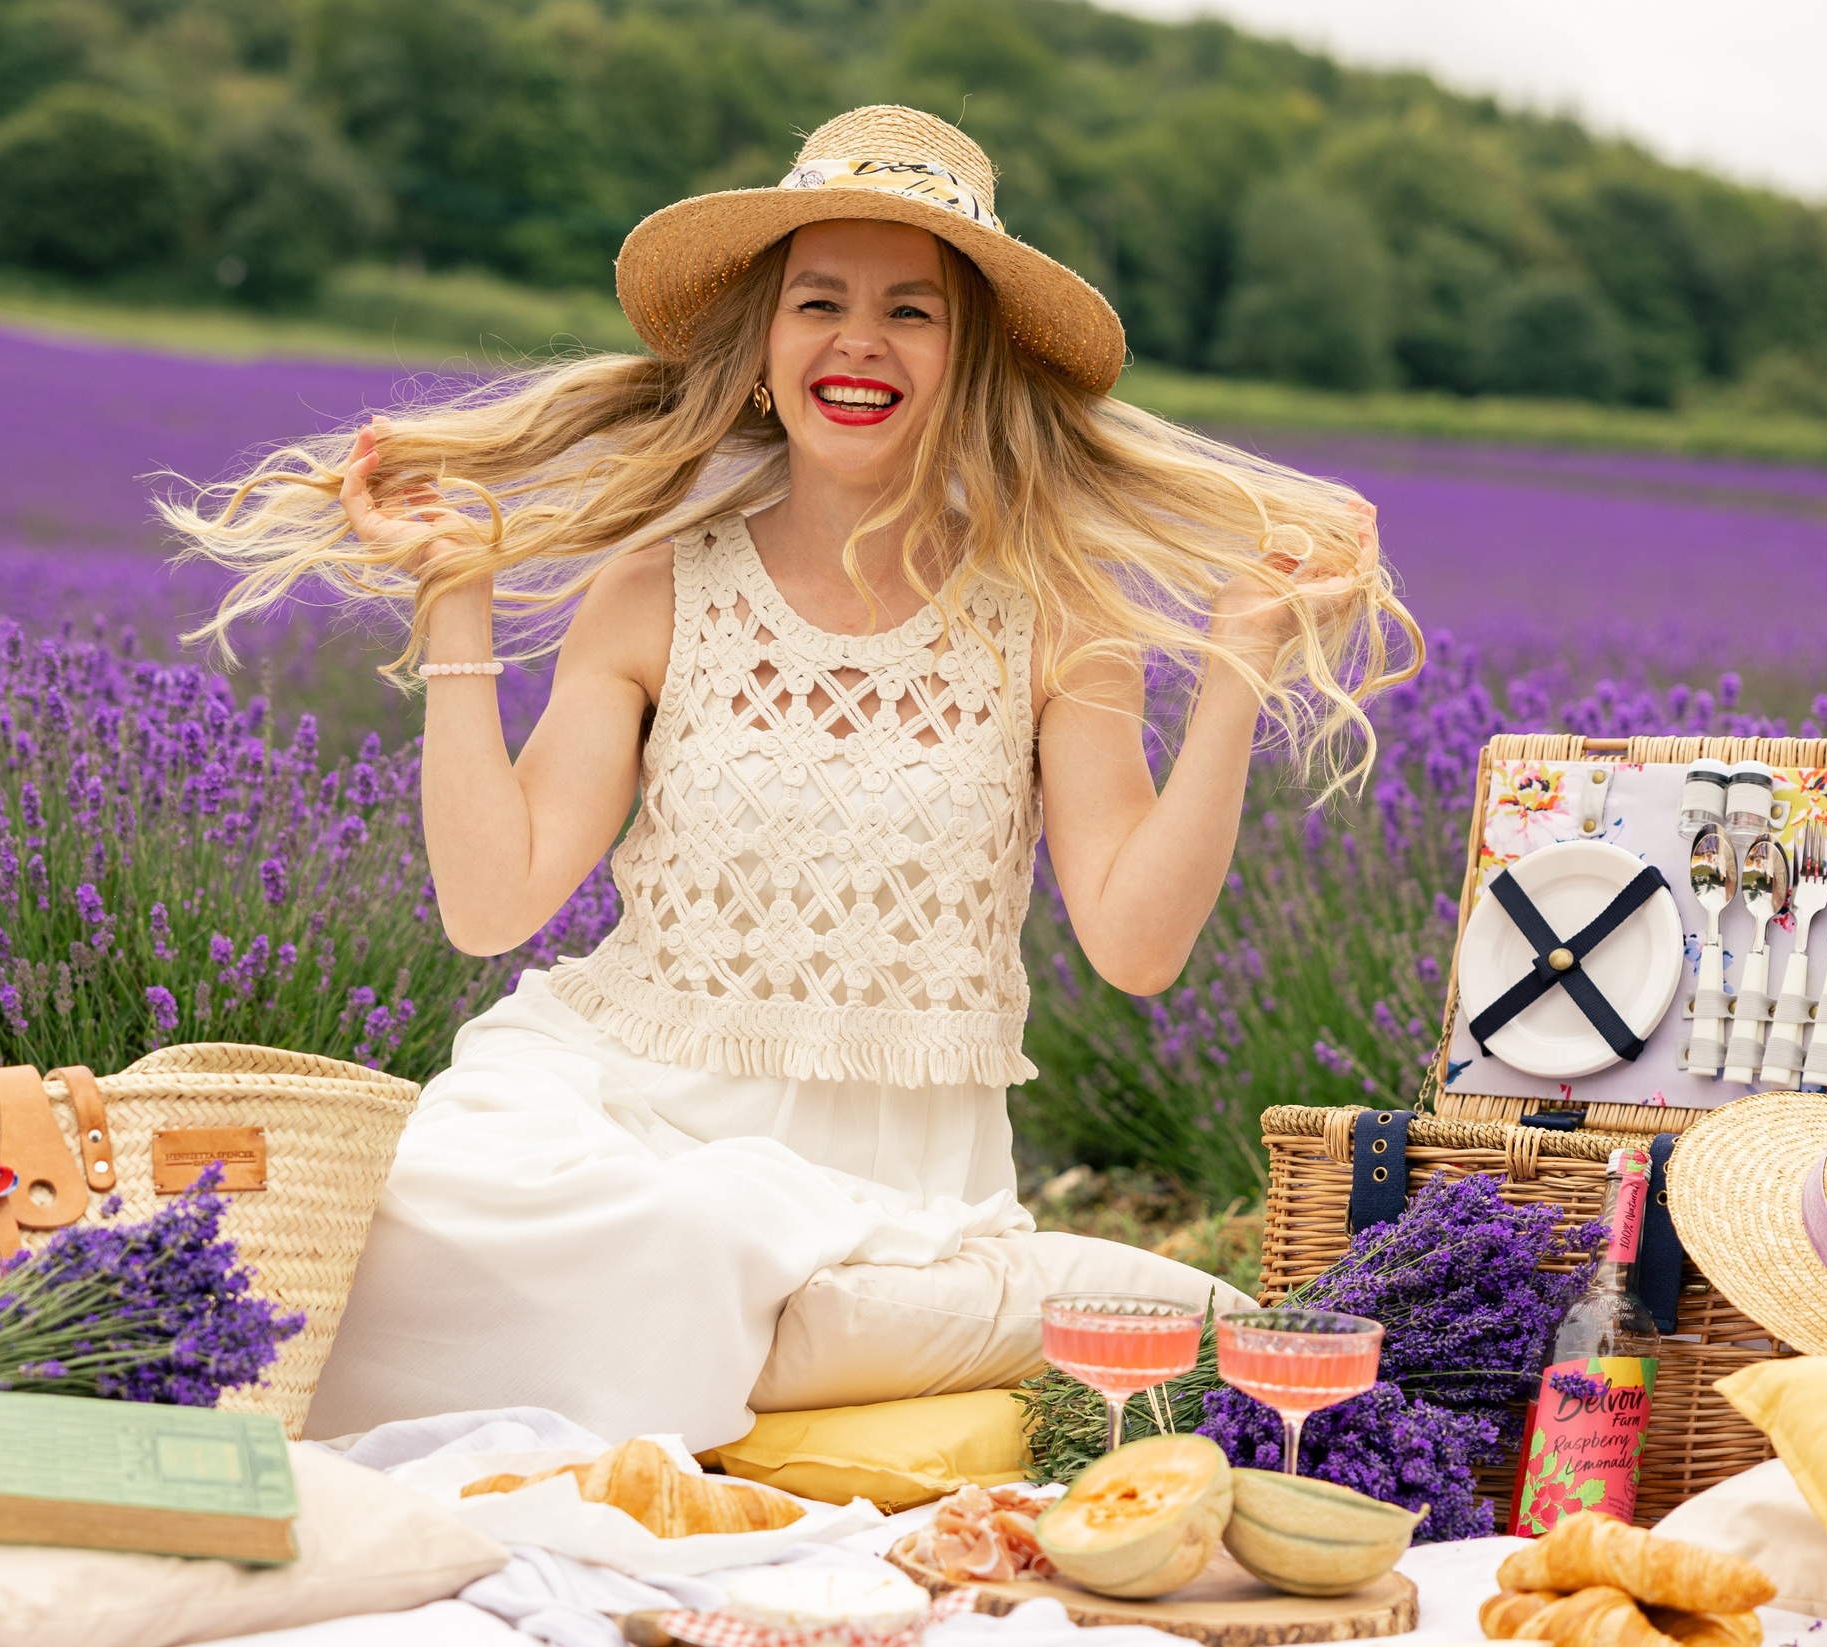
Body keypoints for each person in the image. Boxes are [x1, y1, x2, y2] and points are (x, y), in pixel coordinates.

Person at [168, 106, 1420, 1449]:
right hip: (607, 1105)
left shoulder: (1055, 616)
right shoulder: (657, 584)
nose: (858, 341)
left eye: (911, 312)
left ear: (971, 360)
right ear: (765, 346)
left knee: (697, 1244)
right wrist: (455, 598)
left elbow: (1138, 945)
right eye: (817, 301)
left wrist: (1238, 669)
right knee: (414, 1213)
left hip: (879, 1190)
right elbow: (491, 907)